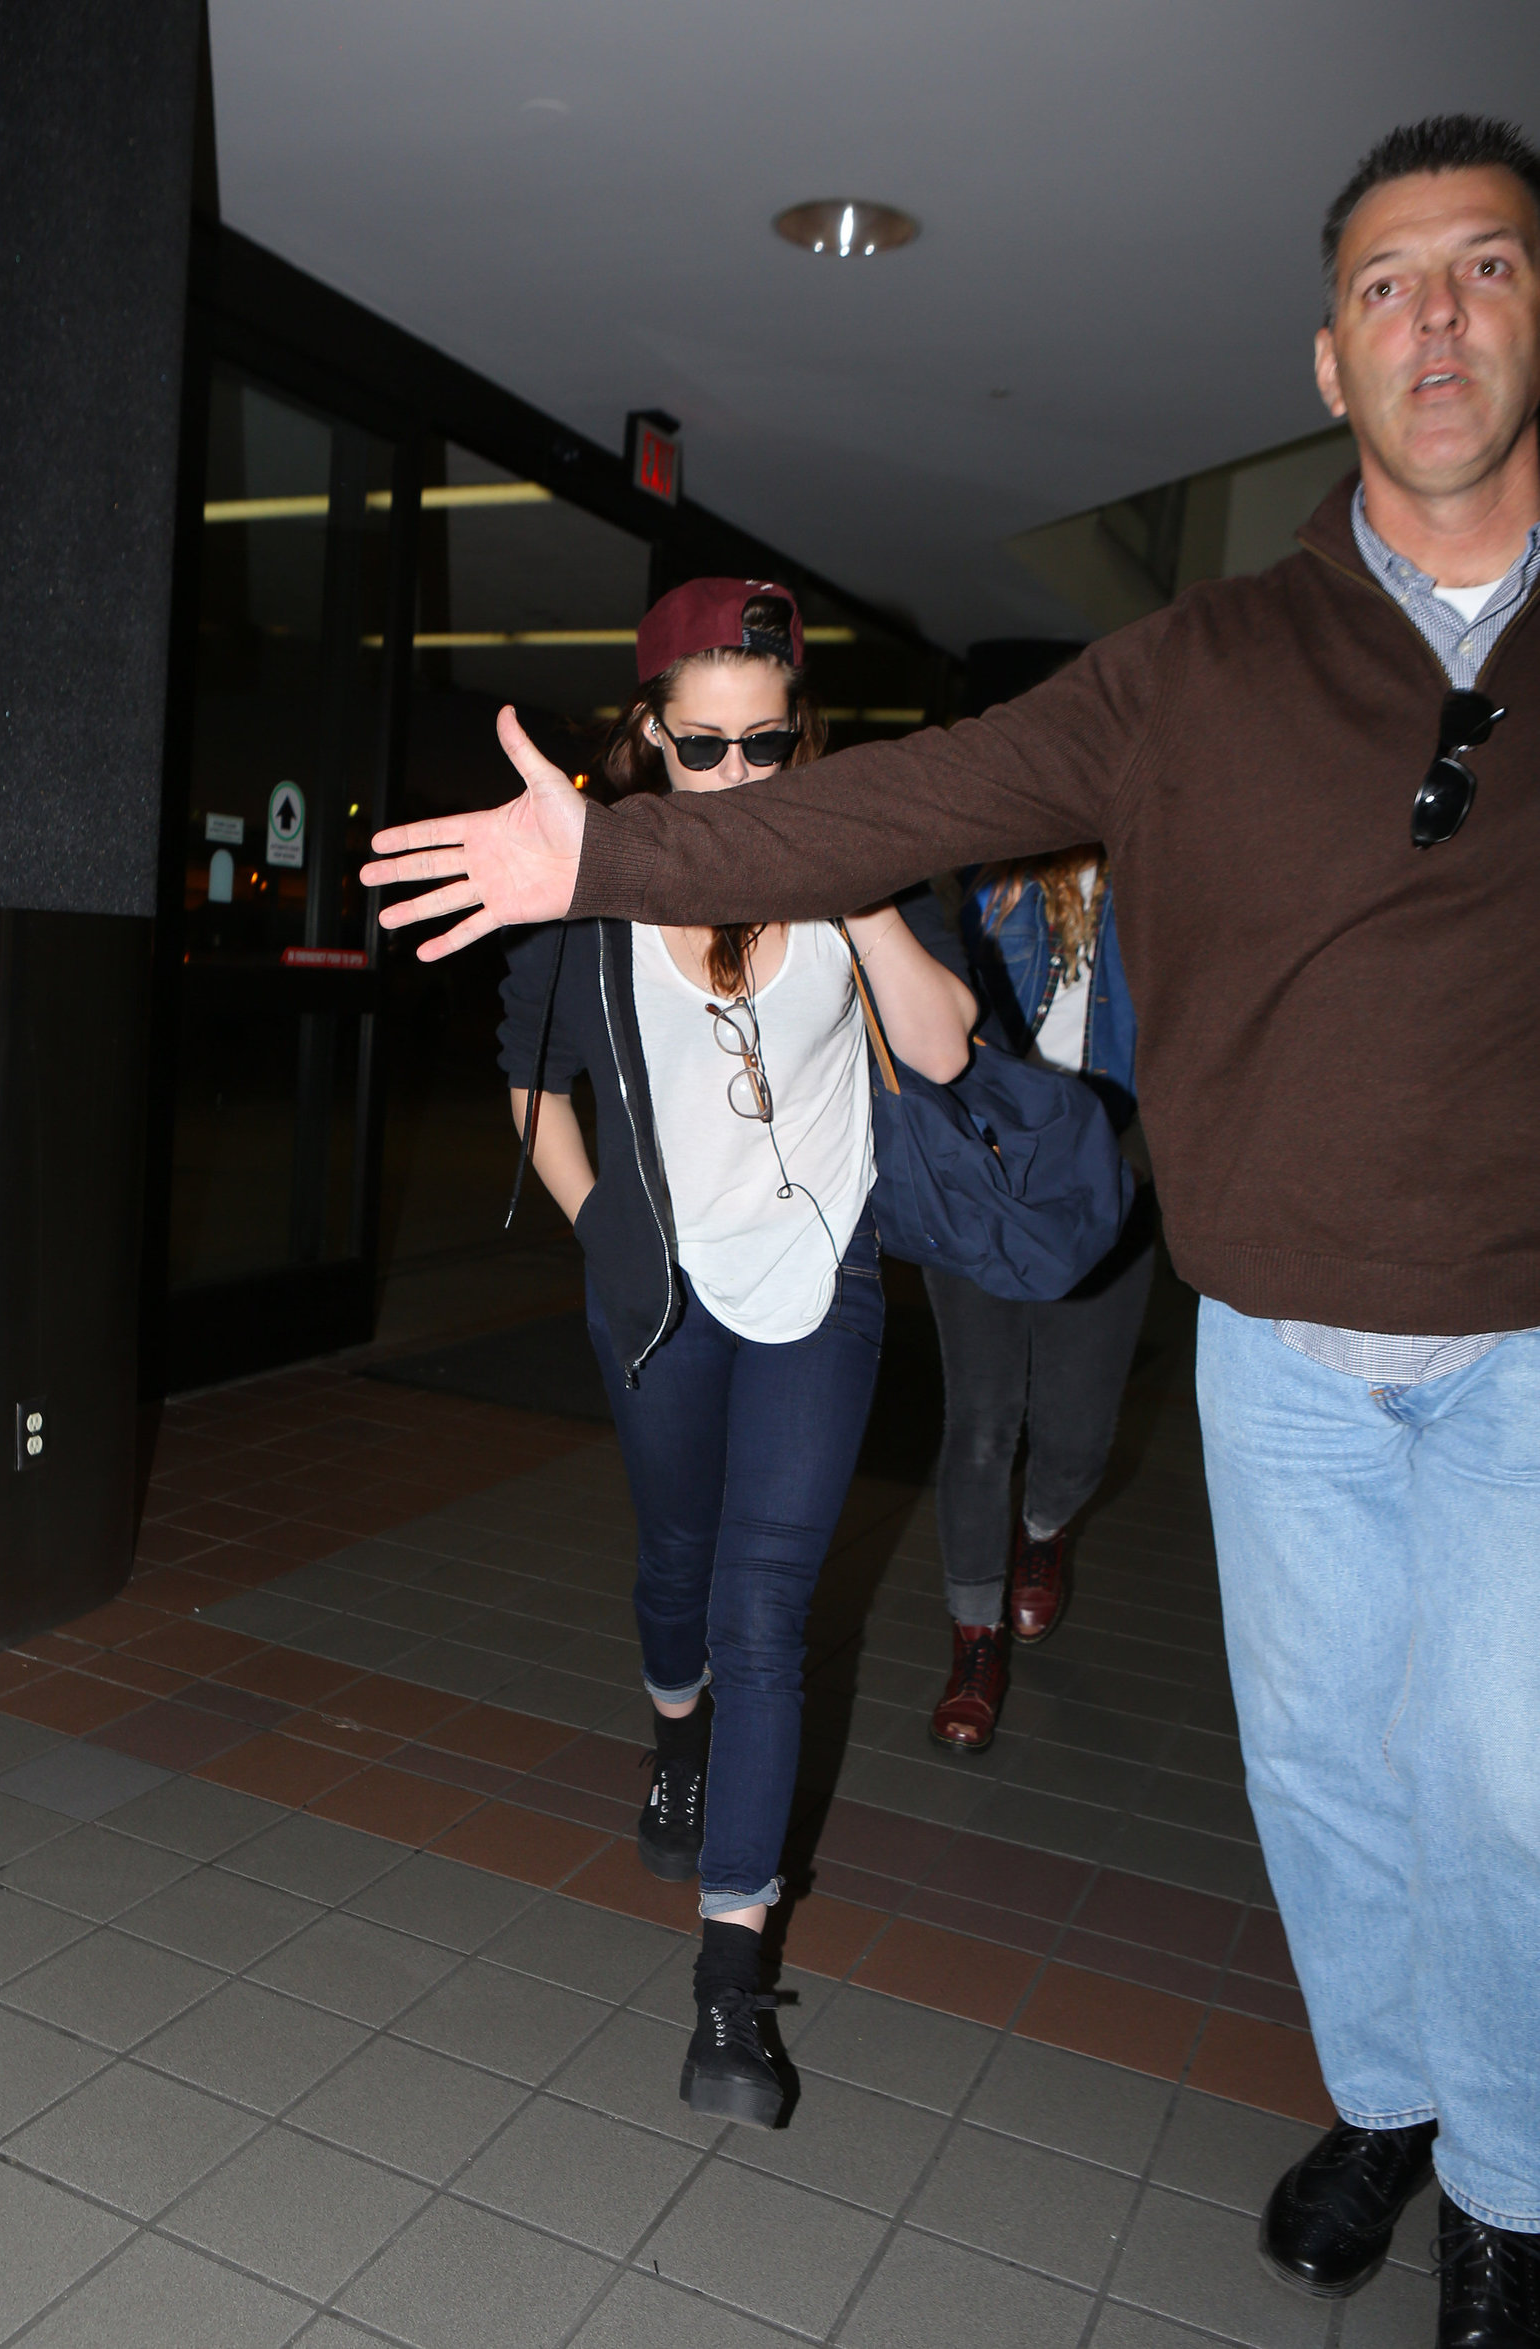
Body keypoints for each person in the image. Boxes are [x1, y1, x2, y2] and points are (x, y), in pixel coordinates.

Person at [365, 117, 1540, 2348]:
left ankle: (1482, 2174)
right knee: (1277, 1752)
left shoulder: (839, 867)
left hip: (1347, 1325)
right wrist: (621, 999)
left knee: (1491, 1765)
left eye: (1485, 270)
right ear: (1326, 346)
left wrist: (821, 896)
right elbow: (590, 1049)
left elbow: (933, 1019)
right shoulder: (1212, 660)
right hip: (1091, 1320)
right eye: (1392, 282)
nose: (1438, 322)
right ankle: (1380, 2105)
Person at [496, 577, 975, 2129]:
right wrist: (605, 1237)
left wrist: (853, 886)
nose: (736, 780)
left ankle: (726, 1993)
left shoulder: (856, 849)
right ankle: (670, 1733)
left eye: (768, 749)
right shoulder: (594, 883)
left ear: (802, 735)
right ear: (649, 735)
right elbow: (531, 1084)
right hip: (659, 1295)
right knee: (675, 1567)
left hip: (820, 1285)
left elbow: (947, 1039)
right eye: (702, 751)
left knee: (767, 1611)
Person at [918, 848, 1154, 1753]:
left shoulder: (1169, 873)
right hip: (985, 1171)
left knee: (1078, 1435)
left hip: (1107, 1176)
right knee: (980, 1421)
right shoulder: (983, 882)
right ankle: (973, 1642)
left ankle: (1045, 1525)